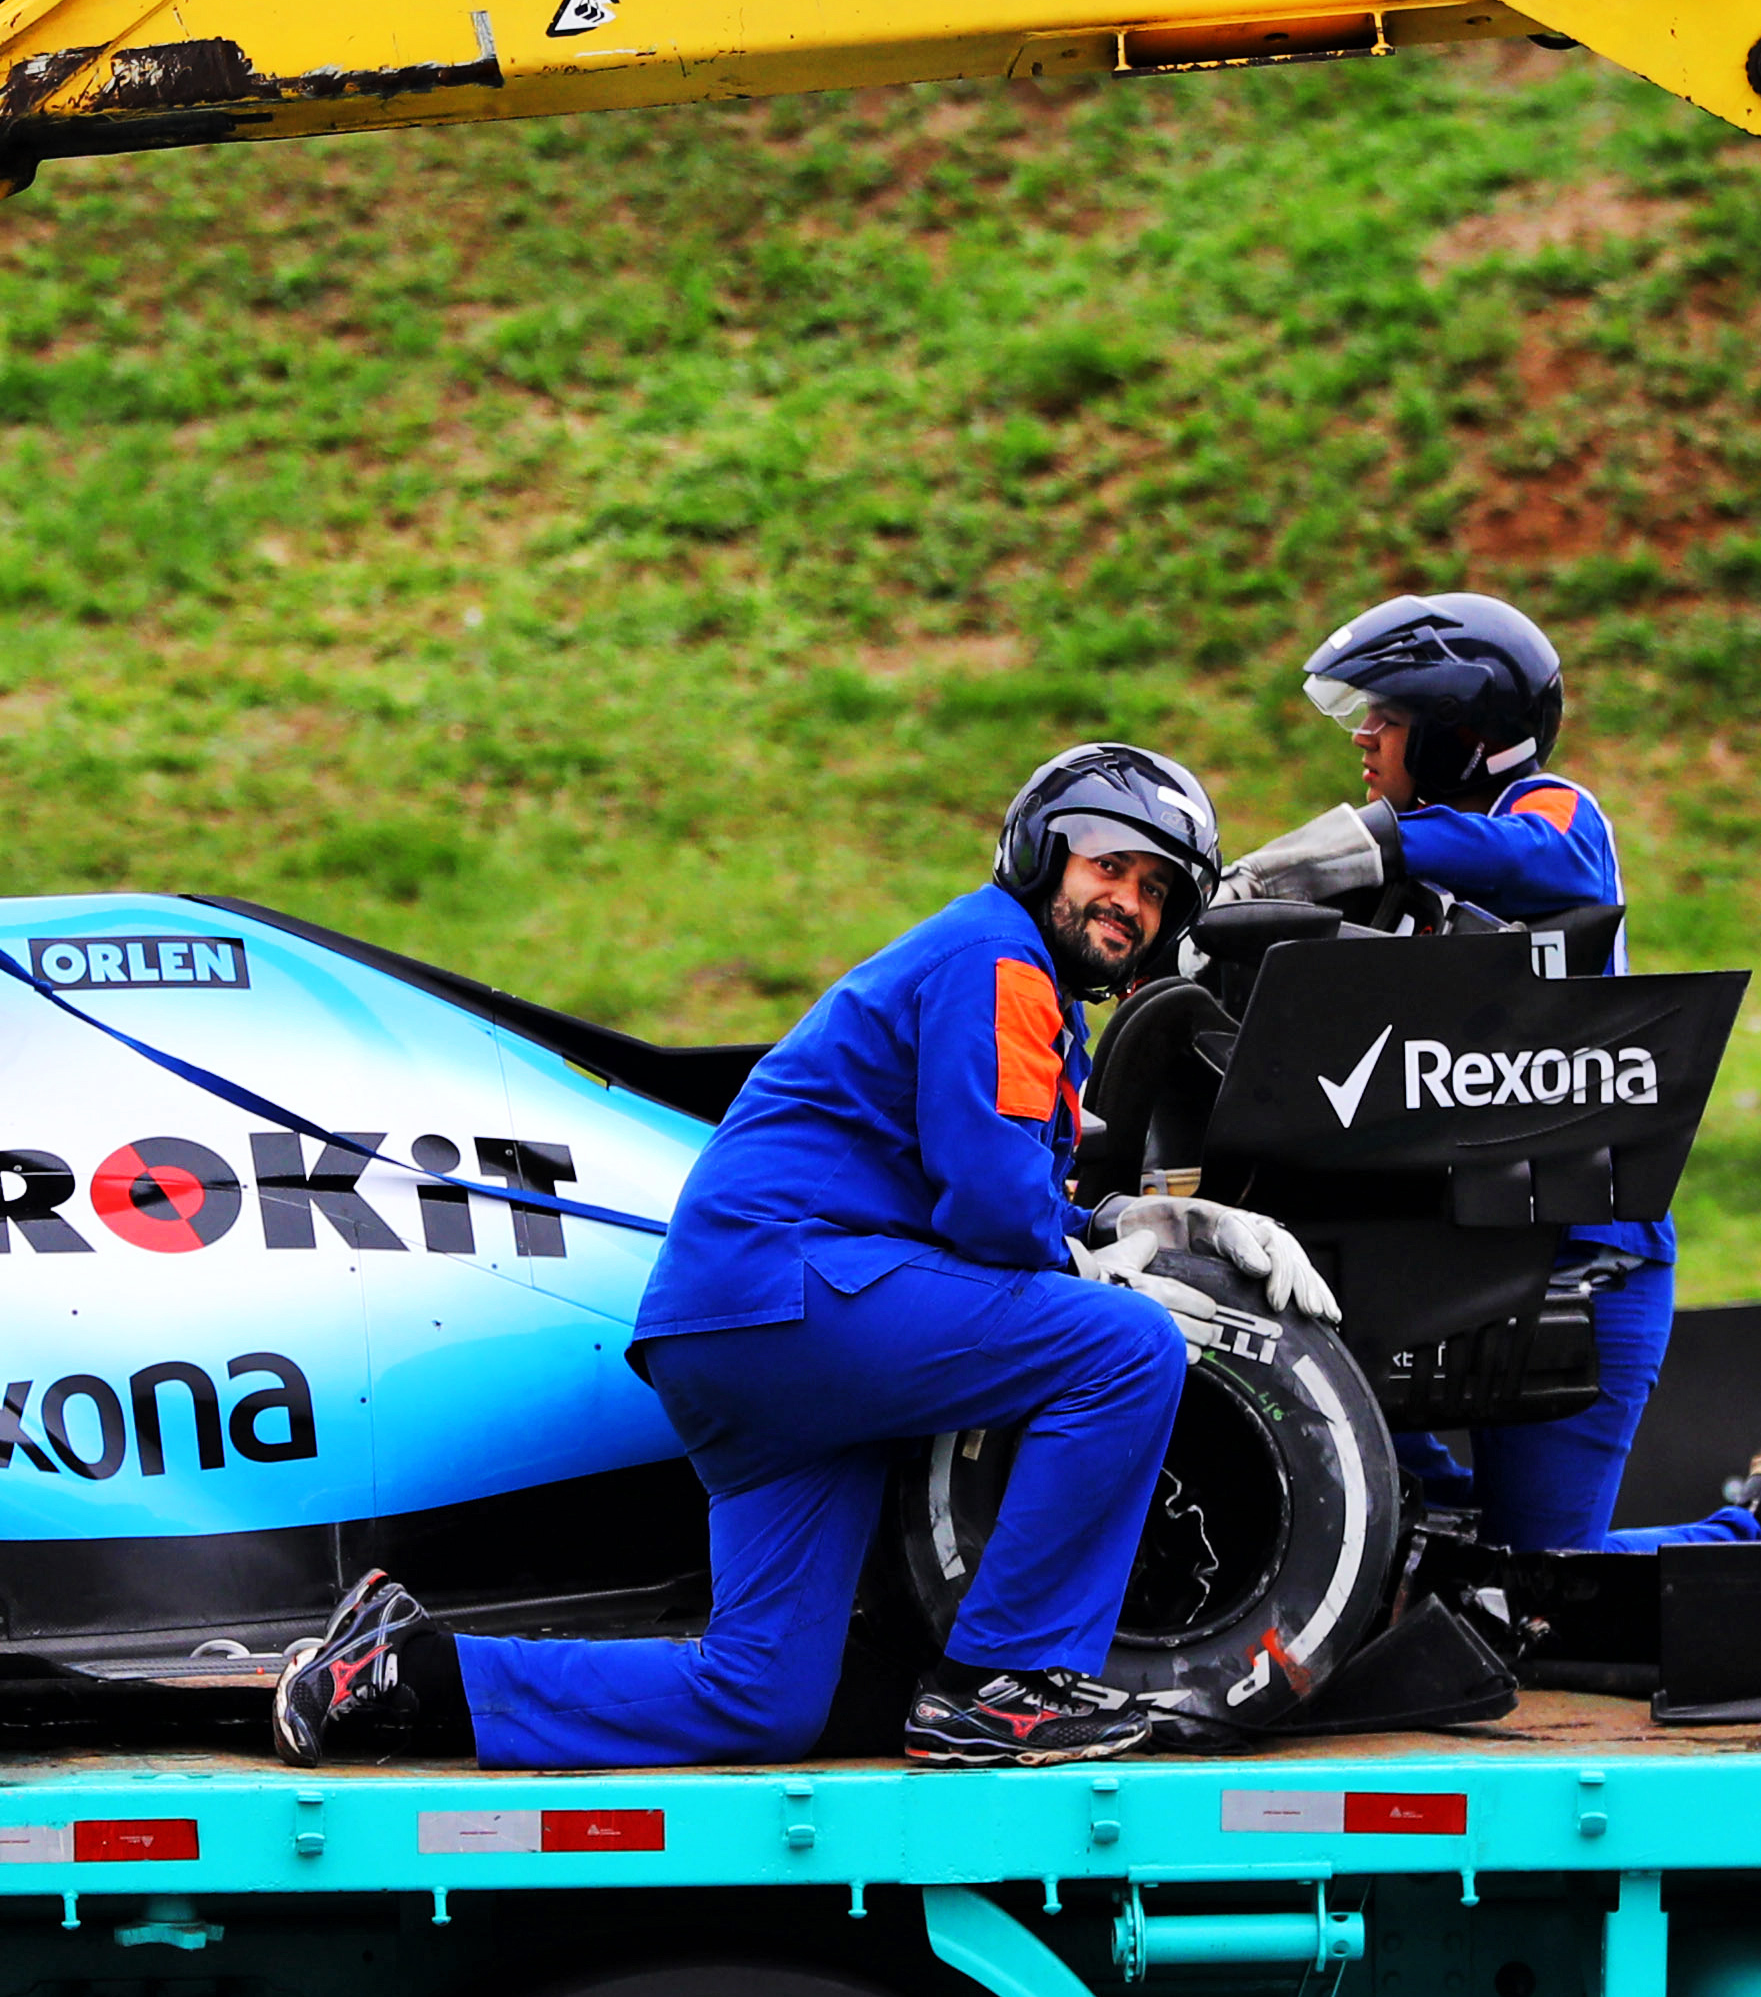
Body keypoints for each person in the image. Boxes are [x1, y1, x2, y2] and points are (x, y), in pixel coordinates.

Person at [278, 744, 1272, 1772]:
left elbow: (995, 1184)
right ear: (1043, 852)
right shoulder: (998, 959)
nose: (1130, 901)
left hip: (747, 1331)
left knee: (760, 1699)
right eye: (1110, 866)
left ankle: (411, 1670)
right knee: (1128, 1349)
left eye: (1158, 890)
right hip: (799, 1296)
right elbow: (991, 1206)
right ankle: (1004, 1689)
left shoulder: (1009, 978)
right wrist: (1105, 1254)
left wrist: (1106, 1220)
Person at [1211, 591, 1698, 1563]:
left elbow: (1547, 858)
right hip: (1442, 1257)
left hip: (1583, 1264)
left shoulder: (1550, 816)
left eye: (1387, 720)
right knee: (1392, 1495)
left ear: (1460, 734)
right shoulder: (1412, 875)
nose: (1365, 741)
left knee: (1547, 1577)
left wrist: (1356, 846)